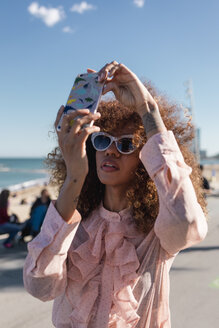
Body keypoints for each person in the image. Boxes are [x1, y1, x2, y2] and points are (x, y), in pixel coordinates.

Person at [23, 62, 208, 327]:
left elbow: (189, 221)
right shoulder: (72, 226)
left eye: (126, 144)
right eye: (102, 140)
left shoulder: (158, 233)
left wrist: (148, 108)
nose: (111, 151)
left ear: (146, 160)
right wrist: (76, 176)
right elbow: (40, 286)